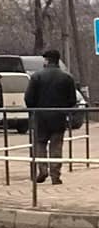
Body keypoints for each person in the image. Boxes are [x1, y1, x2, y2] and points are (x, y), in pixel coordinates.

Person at [24, 49, 77, 185]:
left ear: (46, 60)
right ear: (58, 60)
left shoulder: (37, 76)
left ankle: (42, 169)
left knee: (40, 143)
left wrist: (34, 109)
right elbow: (72, 100)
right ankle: (55, 175)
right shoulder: (67, 77)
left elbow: (29, 98)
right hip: (59, 117)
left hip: (41, 116)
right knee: (56, 146)